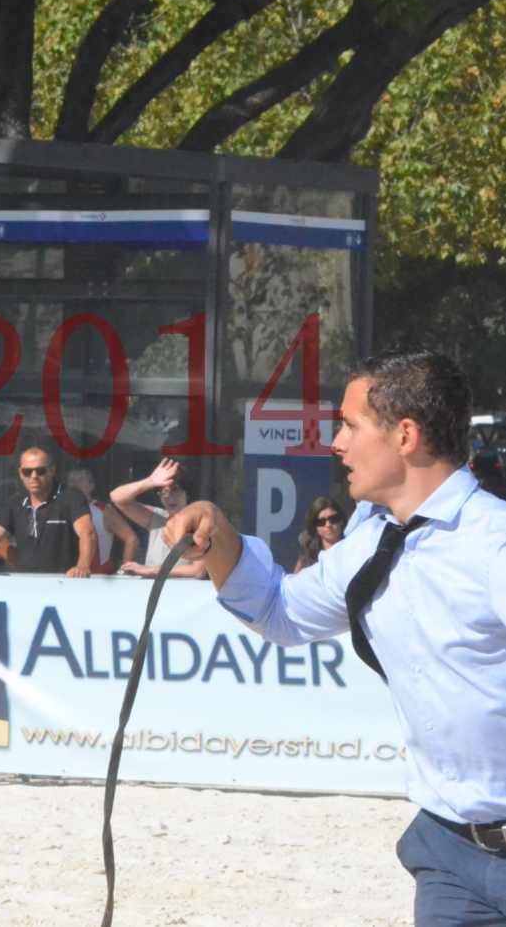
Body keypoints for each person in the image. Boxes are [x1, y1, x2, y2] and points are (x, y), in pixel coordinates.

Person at [162, 349, 506, 924]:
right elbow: (277, 610)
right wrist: (217, 531)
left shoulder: (492, 544)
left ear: (405, 435)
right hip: (448, 854)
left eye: (349, 425)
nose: (336, 444)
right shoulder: (373, 543)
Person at [0, 447, 95, 576]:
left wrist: (82, 566)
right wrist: (21, 566)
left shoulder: (71, 497)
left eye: (40, 471)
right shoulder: (15, 502)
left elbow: (88, 533)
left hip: (64, 582)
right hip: (27, 583)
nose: (34, 476)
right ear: (20, 473)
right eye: (27, 472)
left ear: (52, 470)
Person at [110, 459, 207, 579]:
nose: (169, 497)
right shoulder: (157, 517)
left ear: (187, 493)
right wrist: (150, 481)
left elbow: (198, 571)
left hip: (184, 593)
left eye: (175, 490)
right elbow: (116, 497)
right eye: (163, 492)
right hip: (151, 592)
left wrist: (151, 570)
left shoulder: (201, 522)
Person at [65, 466, 140, 574]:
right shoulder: (61, 508)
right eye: (71, 481)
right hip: (64, 575)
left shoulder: (104, 510)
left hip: (99, 578)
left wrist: (124, 572)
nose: (74, 484)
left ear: (91, 486)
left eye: (80, 479)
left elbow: (131, 539)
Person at [294, 495, 348, 573]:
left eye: (333, 519)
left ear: (341, 520)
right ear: (314, 527)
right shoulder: (305, 561)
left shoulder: (353, 550)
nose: (328, 525)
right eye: (321, 522)